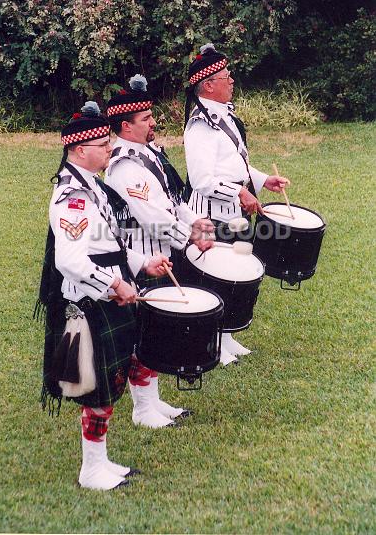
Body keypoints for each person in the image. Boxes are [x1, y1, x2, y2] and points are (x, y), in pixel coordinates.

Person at [37, 103, 172, 491]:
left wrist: (144, 263)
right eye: (102, 143)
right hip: (88, 302)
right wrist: (113, 285)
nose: (110, 148)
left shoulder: (92, 185)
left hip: (104, 299)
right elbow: (70, 260)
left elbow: (107, 242)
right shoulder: (71, 197)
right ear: (79, 150)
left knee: (109, 383)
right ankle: (91, 470)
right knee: (97, 388)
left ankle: (100, 463)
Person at [104, 75, 216, 422]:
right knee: (146, 332)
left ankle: (152, 402)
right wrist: (189, 238)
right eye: (146, 119)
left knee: (157, 328)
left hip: (162, 250)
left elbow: (170, 199)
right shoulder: (124, 164)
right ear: (126, 126)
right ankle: (142, 409)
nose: (154, 122)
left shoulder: (148, 153)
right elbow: (151, 217)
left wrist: (196, 222)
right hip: (144, 254)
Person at [183, 43, 290, 364]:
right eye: (225, 76)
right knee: (214, 275)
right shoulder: (200, 126)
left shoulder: (223, 116)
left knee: (232, 273)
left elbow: (233, 165)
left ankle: (226, 336)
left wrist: (259, 181)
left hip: (232, 210)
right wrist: (239, 193)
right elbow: (202, 179)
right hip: (210, 213)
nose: (232, 81)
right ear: (208, 85)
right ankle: (212, 341)